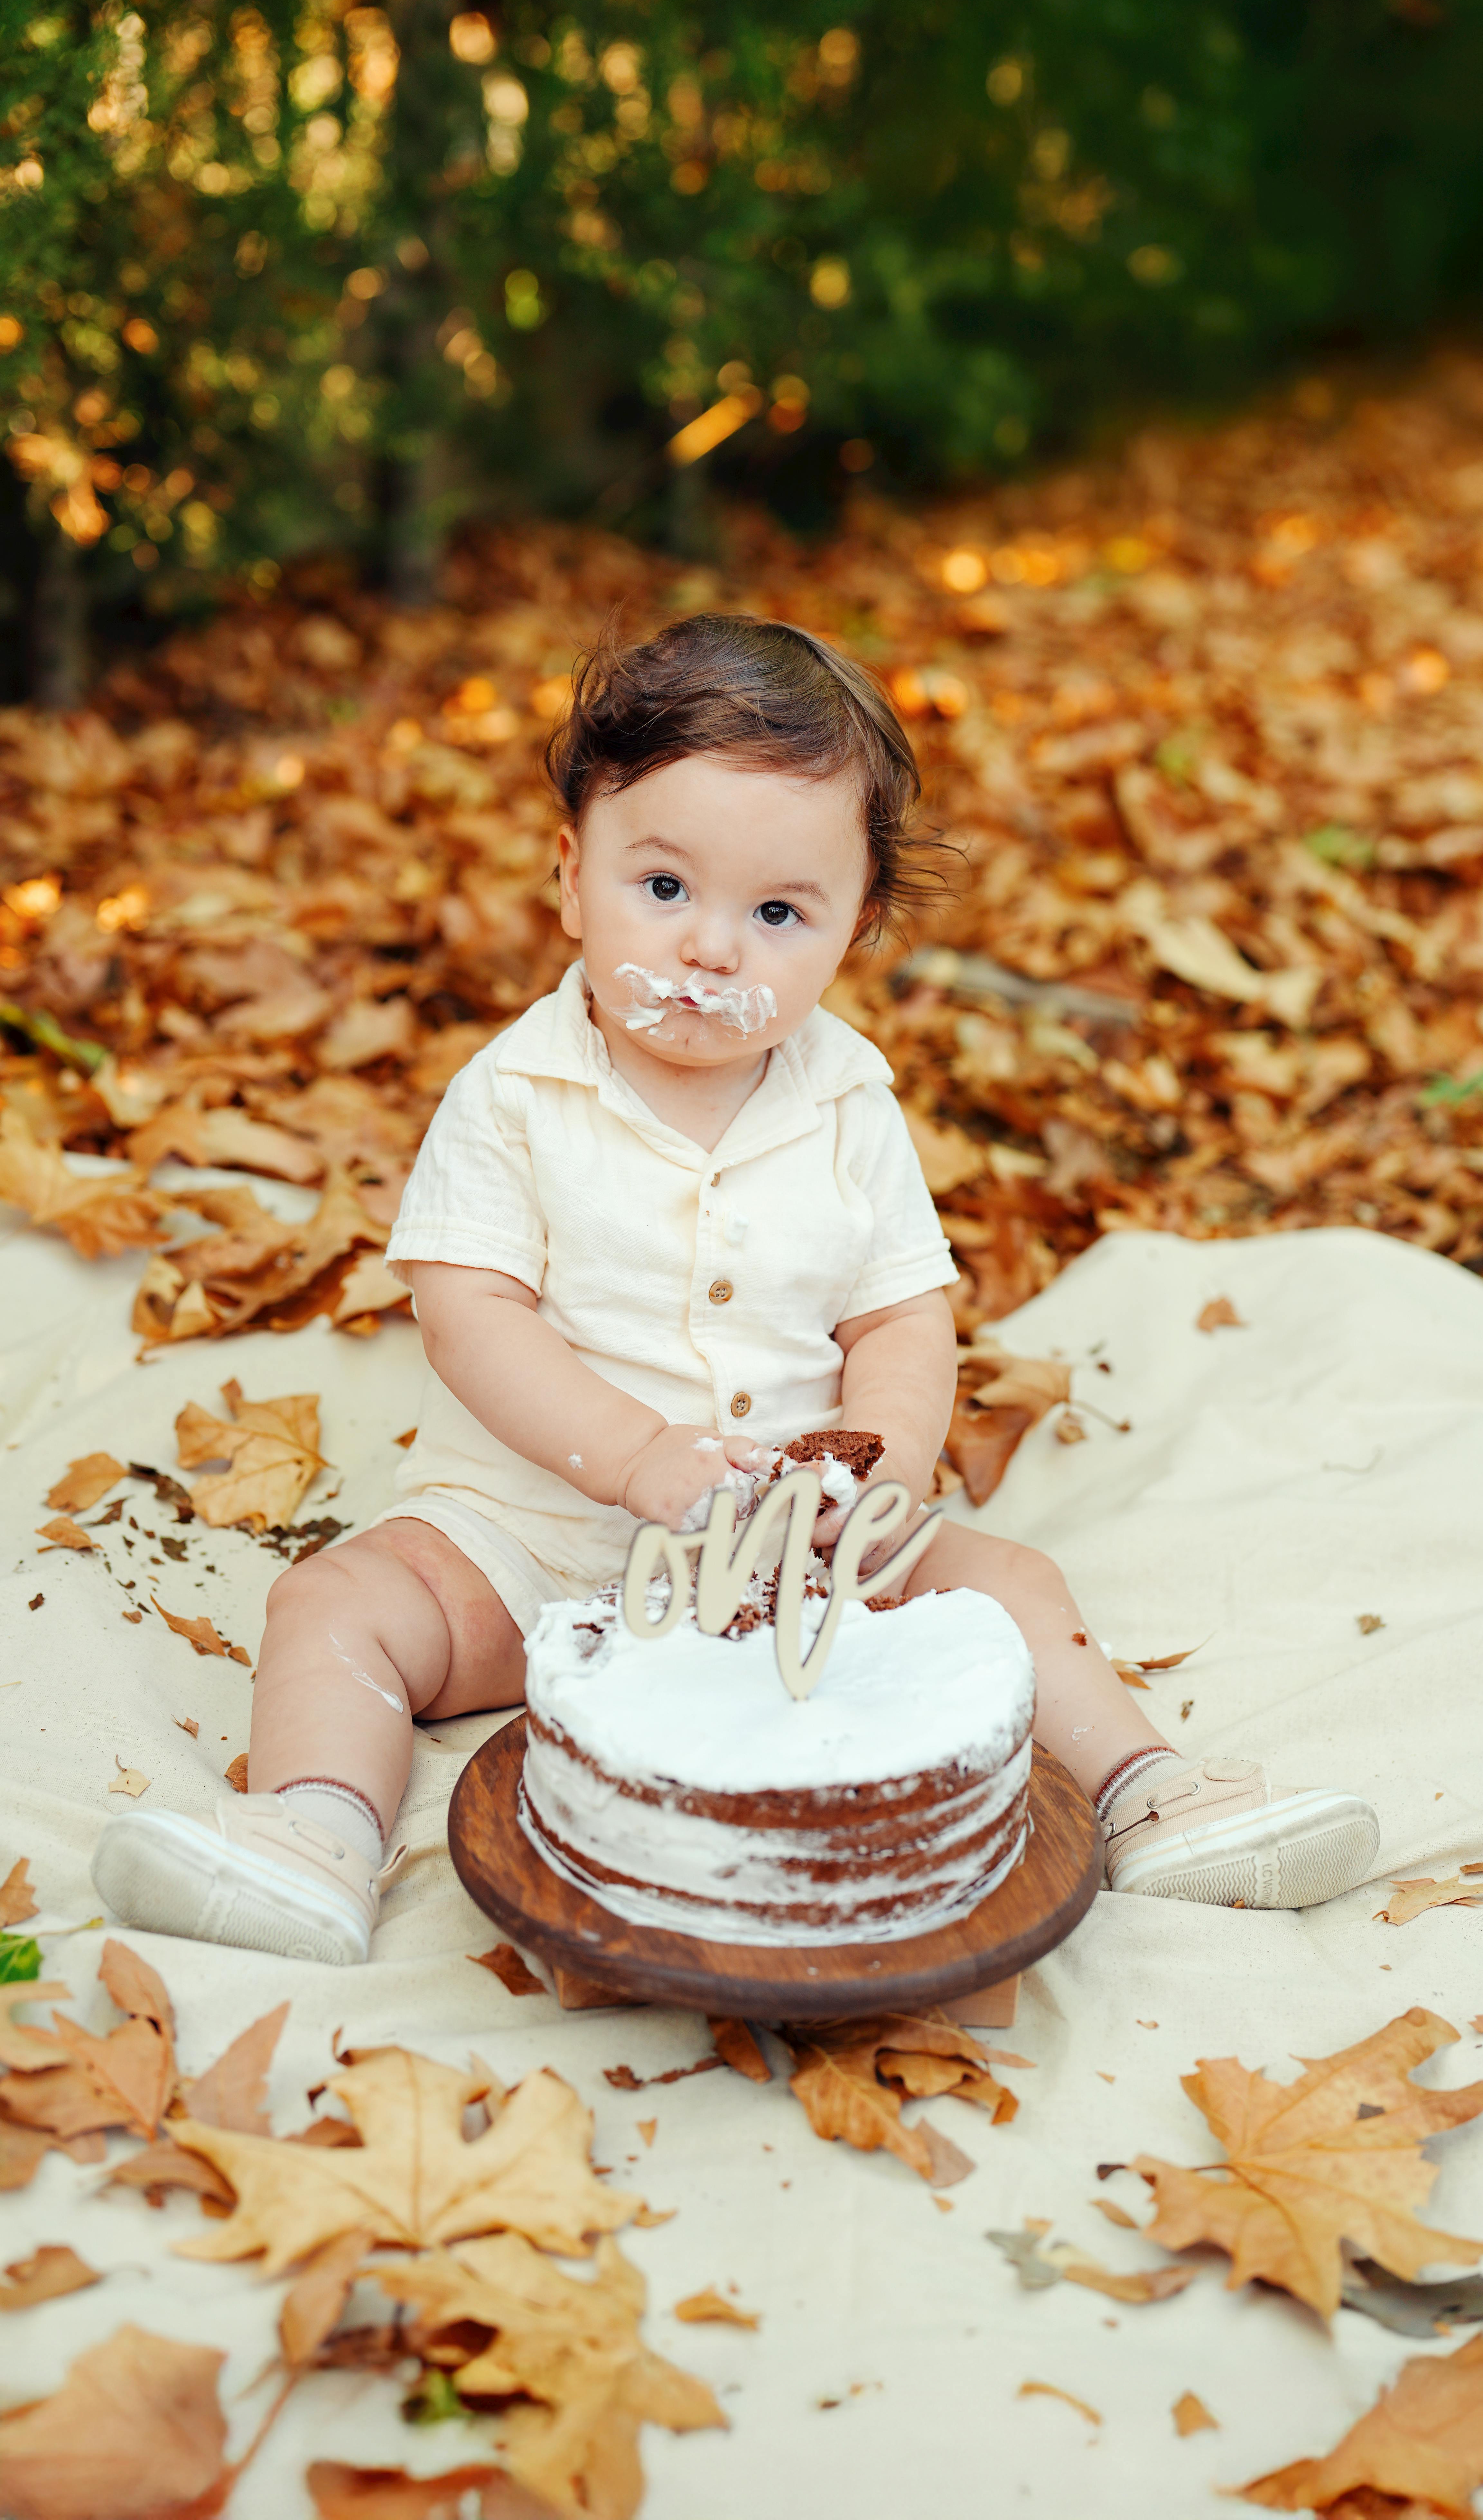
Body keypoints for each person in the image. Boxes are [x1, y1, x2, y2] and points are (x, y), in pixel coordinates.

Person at [92, 615, 1379, 1963]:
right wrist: (640, 1458)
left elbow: (897, 1315)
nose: (713, 947)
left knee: (1009, 1580)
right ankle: (315, 1835)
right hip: (527, 1546)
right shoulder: (516, 1095)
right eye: (664, 888)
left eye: (777, 912)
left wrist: (881, 1475)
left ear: (854, 929)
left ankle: (1151, 1794)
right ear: (570, 876)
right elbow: (471, 1311)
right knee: (335, 1605)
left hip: (796, 1555)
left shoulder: (850, 1103)